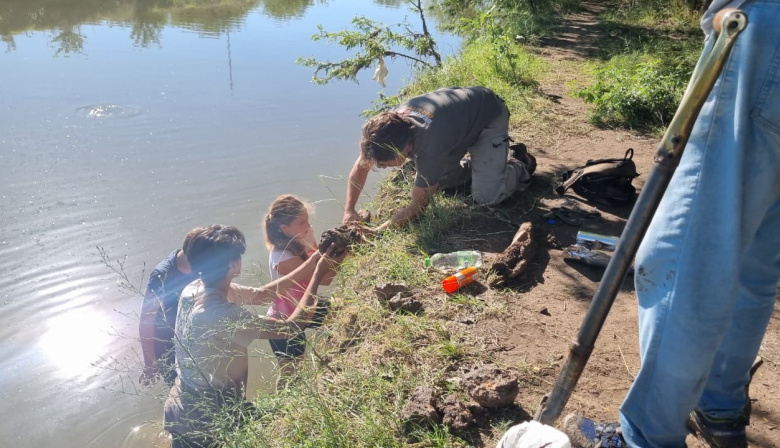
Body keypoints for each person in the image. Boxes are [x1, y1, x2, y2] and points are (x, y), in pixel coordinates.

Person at [563, 4, 780, 448]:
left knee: (680, 257)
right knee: (753, 255)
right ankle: (719, 408)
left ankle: (647, 437)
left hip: (767, 35)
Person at [163, 225, 342, 448]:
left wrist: (313, 261)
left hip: (180, 404)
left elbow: (261, 295)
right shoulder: (221, 314)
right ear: (234, 264)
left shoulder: (194, 288)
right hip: (208, 419)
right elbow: (292, 327)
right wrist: (316, 277)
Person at [342, 86, 536, 230]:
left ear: (407, 147)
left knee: (487, 197)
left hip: (488, 117)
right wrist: (349, 211)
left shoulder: (428, 144)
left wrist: (376, 232)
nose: (382, 167)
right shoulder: (382, 133)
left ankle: (519, 163)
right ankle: (481, 167)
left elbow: (418, 206)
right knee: (439, 183)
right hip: (454, 127)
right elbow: (361, 166)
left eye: (385, 163)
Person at [263, 195, 335, 388]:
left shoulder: (297, 244)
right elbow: (326, 278)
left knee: (340, 314)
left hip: (305, 308)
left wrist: (313, 246)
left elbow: (325, 272)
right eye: (302, 222)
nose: (308, 225)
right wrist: (316, 247)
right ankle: (282, 411)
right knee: (290, 376)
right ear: (284, 228)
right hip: (284, 323)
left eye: (308, 220)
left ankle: (332, 360)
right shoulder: (282, 258)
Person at [139, 227, 203, 385]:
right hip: (169, 344)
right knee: (183, 394)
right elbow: (146, 321)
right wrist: (149, 363)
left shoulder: (201, 263)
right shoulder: (161, 275)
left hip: (195, 336)